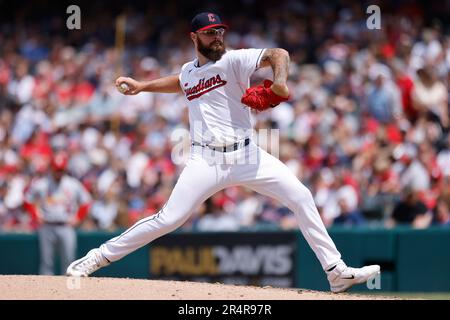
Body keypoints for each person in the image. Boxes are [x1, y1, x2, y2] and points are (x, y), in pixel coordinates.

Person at [66, 12, 380, 293]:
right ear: (194, 37)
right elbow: (181, 81)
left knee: (301, 196)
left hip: (248, 155)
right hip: (205, 159)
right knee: (168, 219)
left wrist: (279, 82)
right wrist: (142, 86)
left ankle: (335, 272)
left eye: (219, 31)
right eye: (209, 32)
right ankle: (96, 258)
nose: (217, 37)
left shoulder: (233, 60)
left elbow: (278, 54)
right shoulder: (189, 71)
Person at [24, 151, 92, 275]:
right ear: (51, 169)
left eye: (61, 170)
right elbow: (28, 199)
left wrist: (78, 217)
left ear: (65, 169)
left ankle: (69, 292)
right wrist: (35, 215)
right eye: (57, 170)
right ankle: (45, 292)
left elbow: (86, 201)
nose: (59, 173)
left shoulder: (72, 184)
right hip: (47, 225)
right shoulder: (42, 183)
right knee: (46, 262)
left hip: (66, 226)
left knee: (69, 260)